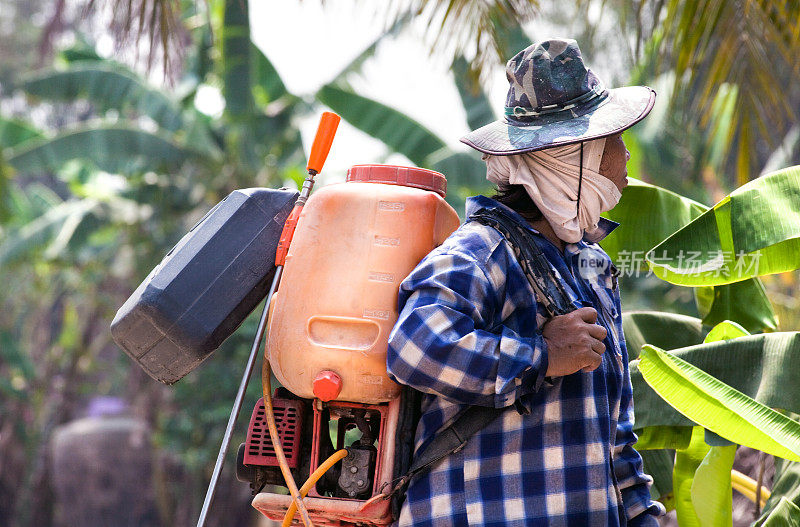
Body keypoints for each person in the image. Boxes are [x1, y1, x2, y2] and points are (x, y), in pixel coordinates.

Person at [387, 38, 666, 526]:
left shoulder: (591, 267)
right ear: (570, 158)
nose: (625, 159)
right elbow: (415, 347)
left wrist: (643, 516)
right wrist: (542, 355)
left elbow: (614, 434)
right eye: (613, 141)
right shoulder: (481, 250)